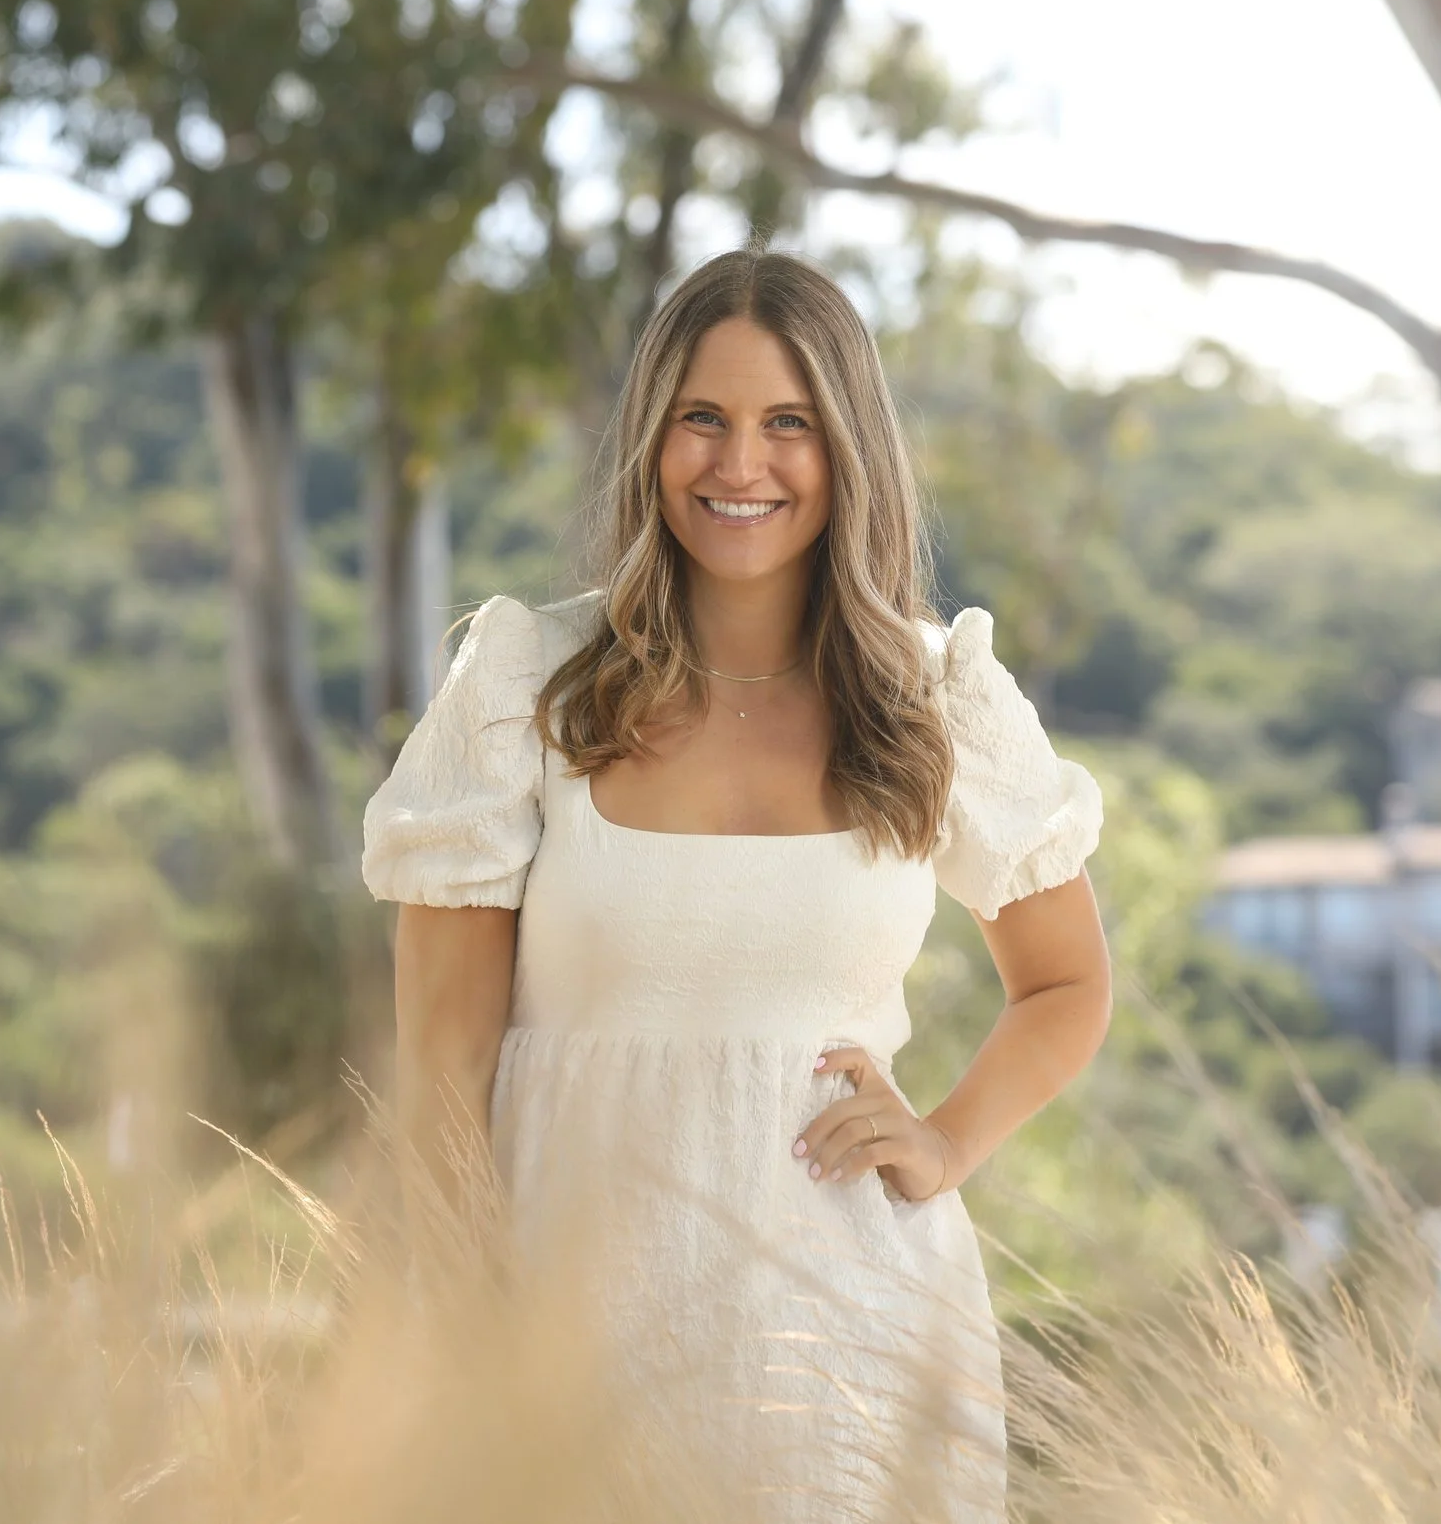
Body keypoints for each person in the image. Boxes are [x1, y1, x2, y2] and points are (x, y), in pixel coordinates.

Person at [361, 248, 1114, 1522]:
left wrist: (943, 1143)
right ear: (652, 438)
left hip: (858, 1335)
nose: (740, 464)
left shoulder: (937, 700)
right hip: (562, 1322)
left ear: (848, 447)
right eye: (700, 419)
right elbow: (441, 1063)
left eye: (789, 425)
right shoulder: (522, 686)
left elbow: (1066, 980)